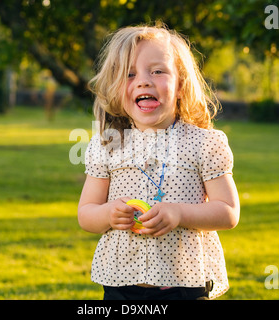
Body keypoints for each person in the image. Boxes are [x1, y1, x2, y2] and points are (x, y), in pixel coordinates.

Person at [78, 23, 240, 300]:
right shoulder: (106, 145)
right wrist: (107, 214)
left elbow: (228, 212)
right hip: (121, 285)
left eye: (158, 71)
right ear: (116, 89)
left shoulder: (204, 144)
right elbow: (86, 213)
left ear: (180, 86)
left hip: (184, 285)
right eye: (129, 74)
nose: (143, 81)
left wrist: (179, 214)